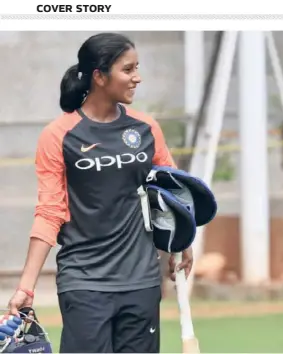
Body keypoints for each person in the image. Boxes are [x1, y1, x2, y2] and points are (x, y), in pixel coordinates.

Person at [6, 32, 193, 353]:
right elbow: (50, 212)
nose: (138, 78)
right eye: (128, 70)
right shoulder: (58, 135)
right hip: (84, 282)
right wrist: (27, 286)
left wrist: (183, 239)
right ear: (99, 76)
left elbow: (171, 189)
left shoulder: (146, 128)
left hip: (142, 280)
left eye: (138, 68)